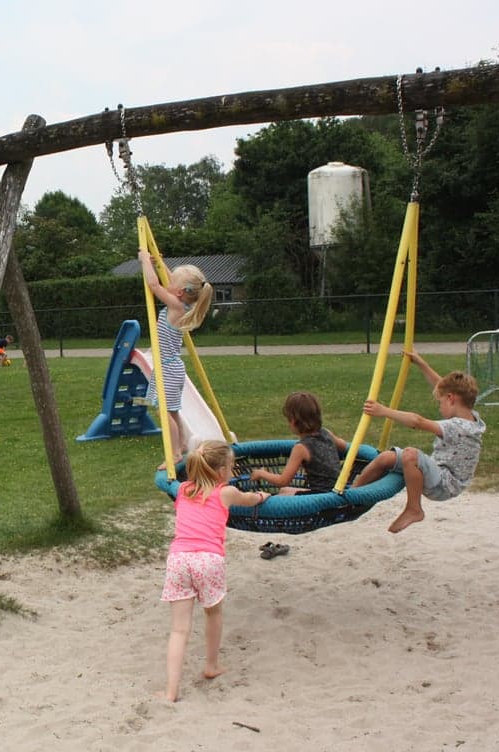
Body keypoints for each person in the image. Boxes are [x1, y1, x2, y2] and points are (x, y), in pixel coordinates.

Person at [160, 440, 271, 702]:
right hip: (208, 560)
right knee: (213, 612)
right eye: (231, 467)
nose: (232, 471)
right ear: (221, 471)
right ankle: (211, 665)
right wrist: (262, 496)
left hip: (178, 559)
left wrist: (171, 462)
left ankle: (170, 691)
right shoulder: (226, 492)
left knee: (179, 629)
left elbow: (172, 480)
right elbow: (249, 499)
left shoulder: (183, 489)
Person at [351, 350, 486, 533]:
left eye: (440, 402)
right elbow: (442, 386)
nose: (439, 407)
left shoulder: (458, 427)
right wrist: (420, 362)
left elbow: (417, 422)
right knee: (385, 458)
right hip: (438, 473)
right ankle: (351, 494)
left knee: (410, 455)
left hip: (445, 484)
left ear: (451, 399)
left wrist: (384, 411)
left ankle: (414, 509)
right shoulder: (470, 415)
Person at [138, 249, 213, 469]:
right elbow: (170, 280)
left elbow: (154, 285)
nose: (167, 281)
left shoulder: (176, 305)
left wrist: (145, 261)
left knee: (163, 411)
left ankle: (174, 453)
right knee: (172, 411)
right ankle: (181, 445)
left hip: (168, 369)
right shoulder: (184, 304)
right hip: (171, 367)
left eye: (172, 282)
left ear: (179, 292)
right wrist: (159, 263)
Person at [251, 391, 347, 494]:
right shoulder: (327, 433)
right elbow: (343, 445)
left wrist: (261, 473)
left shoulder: (301, 448)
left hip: (320, 498)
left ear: (293, 421)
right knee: (285, 491)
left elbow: (283, 481)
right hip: (336, 492)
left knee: (282, 493)